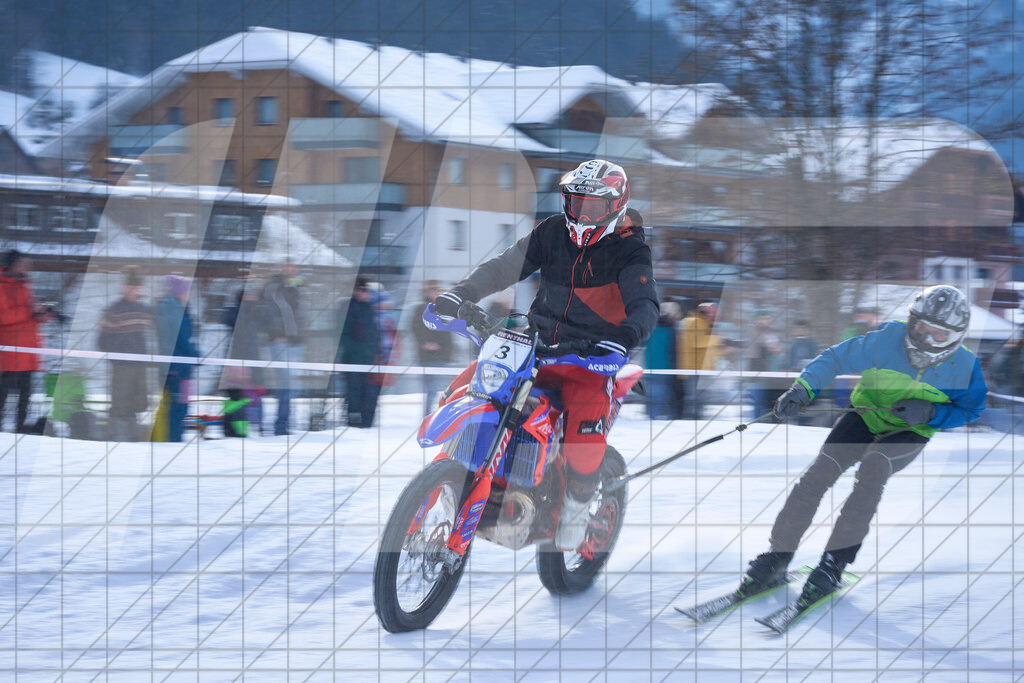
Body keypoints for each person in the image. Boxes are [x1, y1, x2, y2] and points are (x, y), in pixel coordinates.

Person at [434, 158, 659, 551]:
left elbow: (645, 304)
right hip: (534, 345)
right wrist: (463, 292)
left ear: (616, 205)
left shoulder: (630, 250)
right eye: (575, 202)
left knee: (583, 439)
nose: (581, 213)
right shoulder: (552, 232)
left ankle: (574, 519)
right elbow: (504, 266)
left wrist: (621, 340)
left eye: (592, 206)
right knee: (466, 384)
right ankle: (455, 477)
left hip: (589, 359)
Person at [738, 285, 987, 604]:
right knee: (817, 476)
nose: (926, 338)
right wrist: (803, 390)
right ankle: (778, 556)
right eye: (922, 327)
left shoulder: (965, 368)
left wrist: (931, 412)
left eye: (938, 334)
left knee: (872, 475)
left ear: (954, 337)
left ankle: (833, 565)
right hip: (866, 415)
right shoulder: (887, 339)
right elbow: (835, 357)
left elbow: (972, 408)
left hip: (911, 431)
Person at [97, 266, 153, 441]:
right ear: (124, 287)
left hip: (140, 365)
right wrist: (117, 354)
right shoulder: (114, 310)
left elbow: (155, 333)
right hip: (122, 365)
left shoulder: (146, 310)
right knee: (121, 403)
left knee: (140, 402)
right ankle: (119, 438)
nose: (135, 291)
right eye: (131, 287)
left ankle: (132, 436)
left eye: (138, 287)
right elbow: (101, 340)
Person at [0, 250, 52, 433]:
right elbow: (4, 316)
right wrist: (31, 310)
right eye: (23, 263)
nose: (26, 266)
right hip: (8, 357)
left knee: (25, 400)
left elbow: (25, 315)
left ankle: (20, 432)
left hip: (27, 354)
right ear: (13, 264)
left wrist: (41, 315)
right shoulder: (2, 285)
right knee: (3, 397)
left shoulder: (25, 285)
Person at [155, 275, 200, 442]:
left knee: (176, 406)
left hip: (179, 366)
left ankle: (171, 439)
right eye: (187, 290)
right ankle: (173, 441)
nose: (189, 293)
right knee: (179, 407)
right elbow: (180, 337)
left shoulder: (174, 307)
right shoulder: (173, 309)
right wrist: (196, 355)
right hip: (179, 368)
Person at [263, 260, 304, 436]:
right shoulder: (273, 287)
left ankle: (286, 424)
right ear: (281, 268)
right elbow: (269, 313)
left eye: (292, 266)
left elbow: (300, 314)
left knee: (291, 387)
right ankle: (281, 427)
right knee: (285, 386)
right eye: (286, 265)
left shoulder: (296, 288)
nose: (290, 269)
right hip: (280, 342)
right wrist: (276, 334)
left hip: (295, 343)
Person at [338, 276, 380, 428]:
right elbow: (343, 335)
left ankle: (367, 424)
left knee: (369, 393)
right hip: (352, 361)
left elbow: (374, 334)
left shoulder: (369, 308)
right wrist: (357, 352)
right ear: (355, 291)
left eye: (366, 290)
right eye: (362, 290)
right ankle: (354, 424)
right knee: (354, 394)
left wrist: (375, 352)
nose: (365, 293)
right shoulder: (346, 308)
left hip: (369, 361)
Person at [413, 280, 455, 415]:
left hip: (442, 355)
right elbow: (417, 328)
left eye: (439, 291)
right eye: (435, 291)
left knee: (436, 390)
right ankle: (428, 418)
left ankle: (431, 417)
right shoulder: (423, 308)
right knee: (432, 391)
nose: (438, 293)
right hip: (431, 356)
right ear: (429, 292)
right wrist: (426, 343)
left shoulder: (441, 308)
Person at [676, 301, 720, 420]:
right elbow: (696, 342)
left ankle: (696, 419)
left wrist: (724, 349)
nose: (715, 315)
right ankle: (690, 421)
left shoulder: (704, 323)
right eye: (713, 312)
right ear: (705, 311)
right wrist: (717, 338)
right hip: (693, 369)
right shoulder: (694, 322)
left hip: (702, 368)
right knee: (694, 399)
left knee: (701, 399)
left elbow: (706, 348)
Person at [646, 301, 682, 420]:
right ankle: (655, 418)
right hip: (664, 369)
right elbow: (673, 351)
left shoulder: (650, 326)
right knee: (661, 395)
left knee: (652, 396)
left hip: (649, 367)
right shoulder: (671, 330)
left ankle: (651, 417)